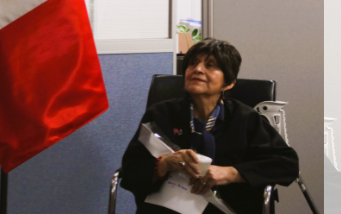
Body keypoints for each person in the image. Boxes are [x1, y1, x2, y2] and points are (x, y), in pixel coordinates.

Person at [120, 38, 298, 213]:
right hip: (168, 207)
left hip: (227, 206)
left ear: (229, 82)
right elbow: (129, 172)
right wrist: (165, 164)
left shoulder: (245, 118)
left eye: (210, 65)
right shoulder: (160, 114)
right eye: (192, 64)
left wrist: (230, 173)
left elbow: (286, 164)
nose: (197, 69)